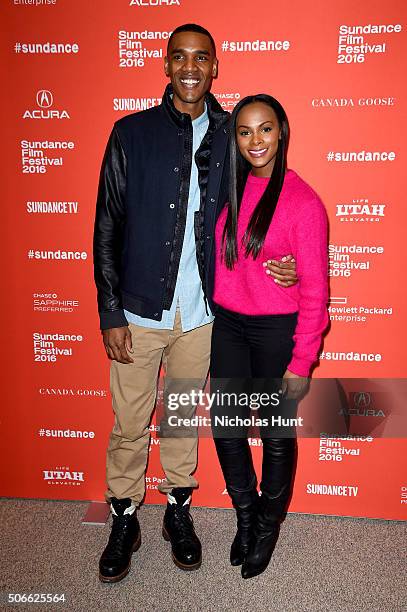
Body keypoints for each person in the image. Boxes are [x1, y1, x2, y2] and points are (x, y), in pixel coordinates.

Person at [93, 24, 297, 583]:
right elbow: (107, 223)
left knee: (182, 419)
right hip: (137, 309)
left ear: (214, 68)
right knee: (131, 422)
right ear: (165, 65)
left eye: (200, 58)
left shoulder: (233, 134)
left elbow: (271, 193)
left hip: (204, 314)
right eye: (179, 57)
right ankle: (124, 517)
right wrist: (110, 311)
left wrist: (290, 259)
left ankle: (178, 513)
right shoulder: (130, 133)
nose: (189, 67)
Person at [210, 94, 329, 579]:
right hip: (229, 328)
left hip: (276, 331)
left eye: (265, 129)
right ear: (235, 138)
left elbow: (318, 292)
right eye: (244, 131)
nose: (255, 140)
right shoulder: (231, 190)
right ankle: (245, 515)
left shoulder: (303, 202)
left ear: (281, 131)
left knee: (276, 437)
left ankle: (267, 525)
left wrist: (302, 363)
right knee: (227, 429)